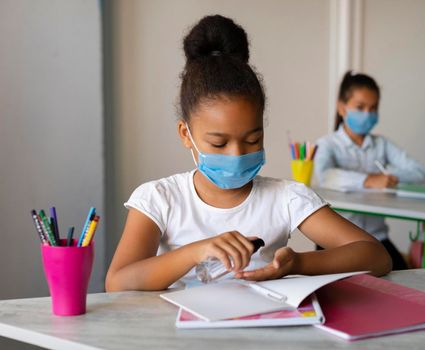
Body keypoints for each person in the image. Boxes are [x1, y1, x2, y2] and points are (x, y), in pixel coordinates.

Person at [105, 16, 391, 292]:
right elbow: (117, 281)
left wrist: (299, 262)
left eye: (253, 139)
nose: (237, 154)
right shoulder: (160, 199)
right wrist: (196, 251)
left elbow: (376, 256)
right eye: (219, 144)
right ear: (185, 135)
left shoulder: (286, 198)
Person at [314, 71, 425, 270]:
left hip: (377, 238)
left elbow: (419, 172)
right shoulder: (327, 144)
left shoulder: (381, 144)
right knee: (334, 293)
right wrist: (367, 180)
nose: (367, 114)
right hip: (335, 239)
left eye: (373, 108)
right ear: (342, 108)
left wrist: (390, 176)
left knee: (408, 283)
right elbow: (325, 176)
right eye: (360, 107)